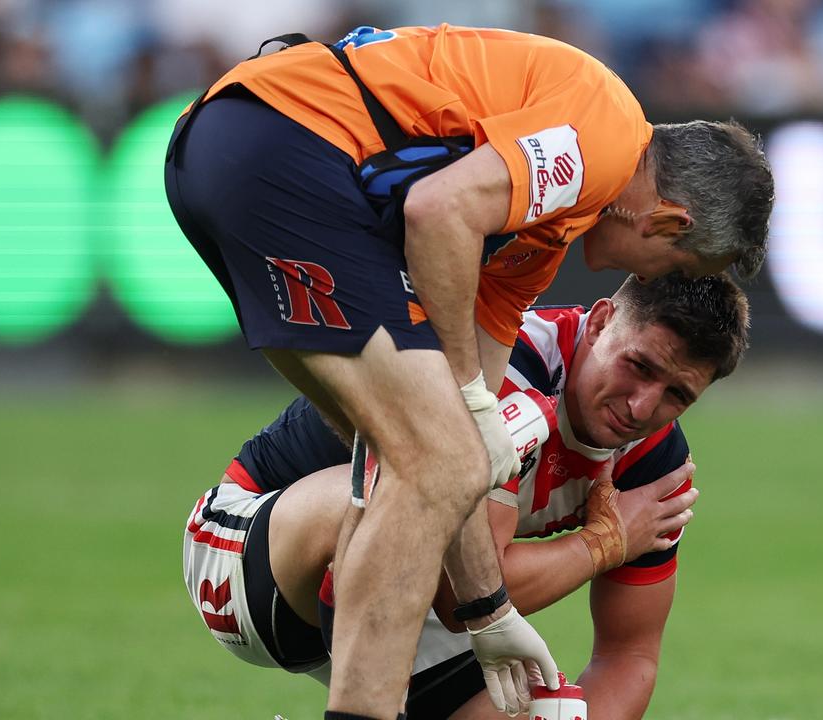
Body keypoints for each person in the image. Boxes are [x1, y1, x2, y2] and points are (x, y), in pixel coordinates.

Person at [164, 23, 773, 718]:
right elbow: (437, 207)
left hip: (249, 144)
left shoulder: (536, 238)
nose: (657, 277)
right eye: (680, 267)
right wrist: (486, 433)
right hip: (283, 144)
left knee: (426, 459)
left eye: (674, 395)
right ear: (670, 222)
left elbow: (466, 414)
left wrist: (488, 612)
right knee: (434, 457)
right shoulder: (605, 138)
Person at [182, 273, 751, 718]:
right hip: (246, 558)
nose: (641, 407)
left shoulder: (654, 464)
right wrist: (606, 542)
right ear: (600, 322)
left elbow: (629, 657)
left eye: (677, 394)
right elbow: (464, 597)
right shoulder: (503, 368)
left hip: (405, 600)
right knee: (446, 473)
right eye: (639, 366)